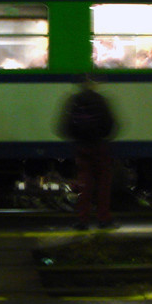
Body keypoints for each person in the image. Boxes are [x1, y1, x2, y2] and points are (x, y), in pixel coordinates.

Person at [58, 76, 118, 230]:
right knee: (103, 184)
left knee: (85, 185)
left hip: (82, 148)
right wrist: (103, 137)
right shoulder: (100, 100)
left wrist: (77, 140)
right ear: (92, 85)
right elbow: (111, 124)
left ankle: (82, 220)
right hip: (99, 147)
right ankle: (103, 219)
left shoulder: (74, 100)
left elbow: (63, 126)